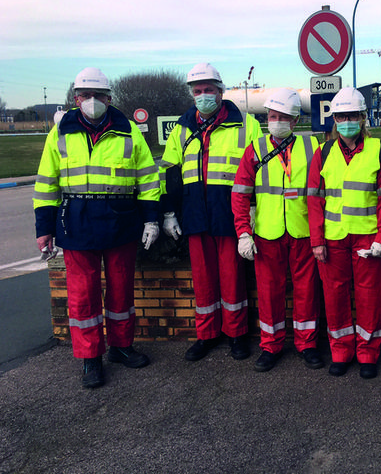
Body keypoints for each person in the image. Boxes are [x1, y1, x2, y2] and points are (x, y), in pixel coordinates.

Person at [33, 67, 160, 389]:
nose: (92, 101)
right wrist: (43, 229)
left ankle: (121, 347)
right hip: (76, 221)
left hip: (121, 219)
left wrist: (151, 219)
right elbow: (47, 183)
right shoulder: (60, 132)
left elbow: (147, 180)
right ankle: (90, 358)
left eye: (98, 96)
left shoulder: (129, 130)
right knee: (82, 296)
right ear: (75, 99)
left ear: (109, 98)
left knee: (121, 289)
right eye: (85, 96)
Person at [159, 63, 262, 362]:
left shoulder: (246, 124)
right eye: (198, 91)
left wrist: (252, 210)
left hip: (229, 215)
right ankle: (206, 335)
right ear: (192, 94)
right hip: (194, 215)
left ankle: (236, 335)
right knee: (203, 281)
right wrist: (168, 214)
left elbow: (259, 171)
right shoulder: (181, 128)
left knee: (232, 279)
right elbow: (170, 175)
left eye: (209, 90)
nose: (203, 95)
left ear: (220, 91)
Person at [231, 88, 323, 372]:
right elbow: (240, 194)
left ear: (295, 121)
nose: (277, 121)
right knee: (269, 292)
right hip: (267, 234)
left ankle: (307, 344)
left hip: (303, 231)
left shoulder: (313, 147)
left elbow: (323, 192)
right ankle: (270, 346)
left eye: (283, 117)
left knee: (306, 290)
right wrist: (244, 232)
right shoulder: (256, 148)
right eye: (273, 116)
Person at [307, 87, 381, 379]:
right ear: (335, 120)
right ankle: (341, 351)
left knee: (370, 297)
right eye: (342, 116)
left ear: (363, 118)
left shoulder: (378, 150)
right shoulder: (323, 152)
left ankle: (368, 353)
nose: (347, 121)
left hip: (368, 238)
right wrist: (317, 241)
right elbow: (315, 200)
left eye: (352, 116)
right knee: (335, 296)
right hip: (333, 239)